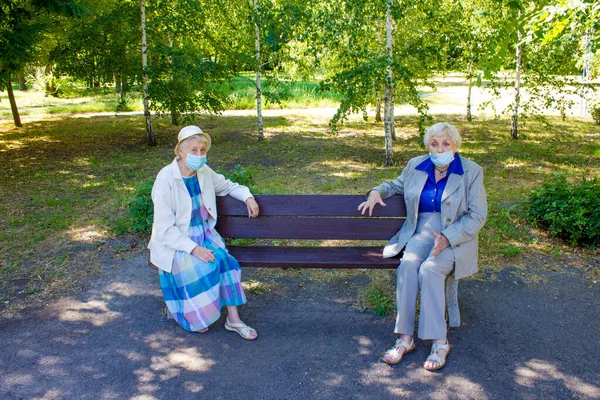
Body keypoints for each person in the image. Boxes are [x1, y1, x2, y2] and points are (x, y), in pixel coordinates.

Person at [358, 122, 487, 371]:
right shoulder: (416, 165)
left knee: (430, 270)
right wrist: (376, 191)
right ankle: (405, 339)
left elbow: (477, 215)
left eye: (446, 143)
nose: (440, 148)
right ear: (428, 145)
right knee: (407, 265)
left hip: (455, 234)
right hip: (422, 231)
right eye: (434, 143)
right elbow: (395, 185)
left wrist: (448, 237)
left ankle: (440, 341)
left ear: (456, 146)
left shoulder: (471, 171)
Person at [148, 125, 260, 340]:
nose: (199, 155)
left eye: (202, 150)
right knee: (202, 265)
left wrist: (248, 197)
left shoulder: (204, 172)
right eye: (194, 150)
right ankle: (194, 315)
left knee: (226, 262)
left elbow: (227, 186)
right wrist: (194, 249)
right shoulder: (165, 178)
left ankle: (233, 320)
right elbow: (163, 229)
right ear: (181, 151)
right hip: (177, 241)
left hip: (204, 234)